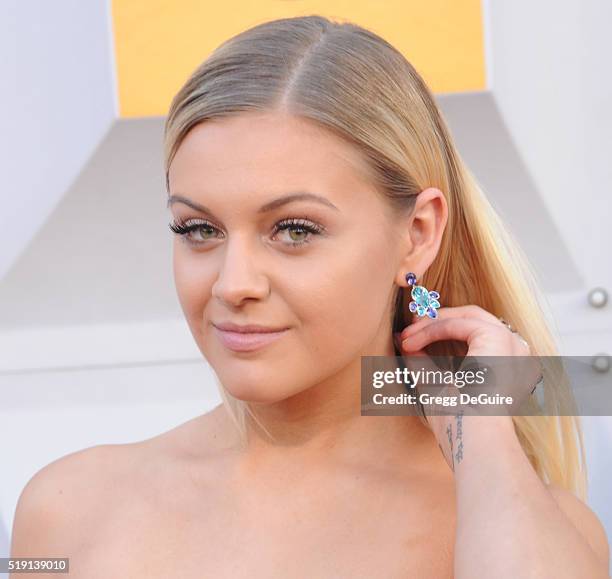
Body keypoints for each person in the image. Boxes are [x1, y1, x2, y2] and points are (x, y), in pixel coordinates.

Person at [10, 15, 610, 578]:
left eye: (295, 230)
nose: (232, 283)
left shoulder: (534, 531)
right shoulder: (63, 516)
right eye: (199, 230)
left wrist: (476, 429)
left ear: (417, 234)